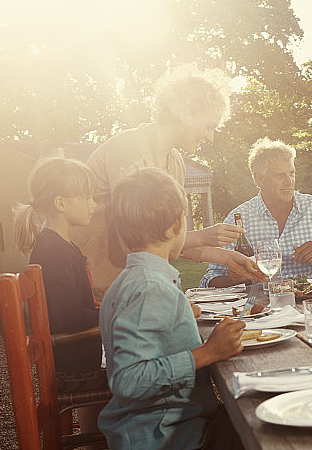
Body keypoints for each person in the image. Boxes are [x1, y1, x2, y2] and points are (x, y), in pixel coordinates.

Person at [74, 65, 264, 301]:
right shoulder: (129, 151)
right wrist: (203, 236)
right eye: (209, 126)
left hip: (135, 287)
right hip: (96, 290)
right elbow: (140, 239)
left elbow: (167, 238)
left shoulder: (175, 163)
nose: (210, 137)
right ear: (186, 113)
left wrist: (227, 258)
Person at [99, 168, 245, 449]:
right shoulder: (150, 288)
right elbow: (129, 381)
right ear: (175, 226)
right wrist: (209, 352)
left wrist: (180, 314)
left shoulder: (133, 282)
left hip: (167, 425)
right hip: (167, 436)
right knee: (265, 429)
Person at [12, 157, 105, 433]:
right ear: (61, 203)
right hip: (75, 365)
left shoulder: (60, 245)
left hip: (77, 354)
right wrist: (116, 312)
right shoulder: (54, 251)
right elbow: (67, 316)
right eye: (87, 197)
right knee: (149, 374)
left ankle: (101, 439)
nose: (94, 204)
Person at [200, 138, 312, 287]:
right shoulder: (238, 219)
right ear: (259, 179)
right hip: (260, 305)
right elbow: (210, 278)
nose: (289, 182)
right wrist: (232, 279)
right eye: (280, 175)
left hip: (310, 300)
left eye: (291, 173)